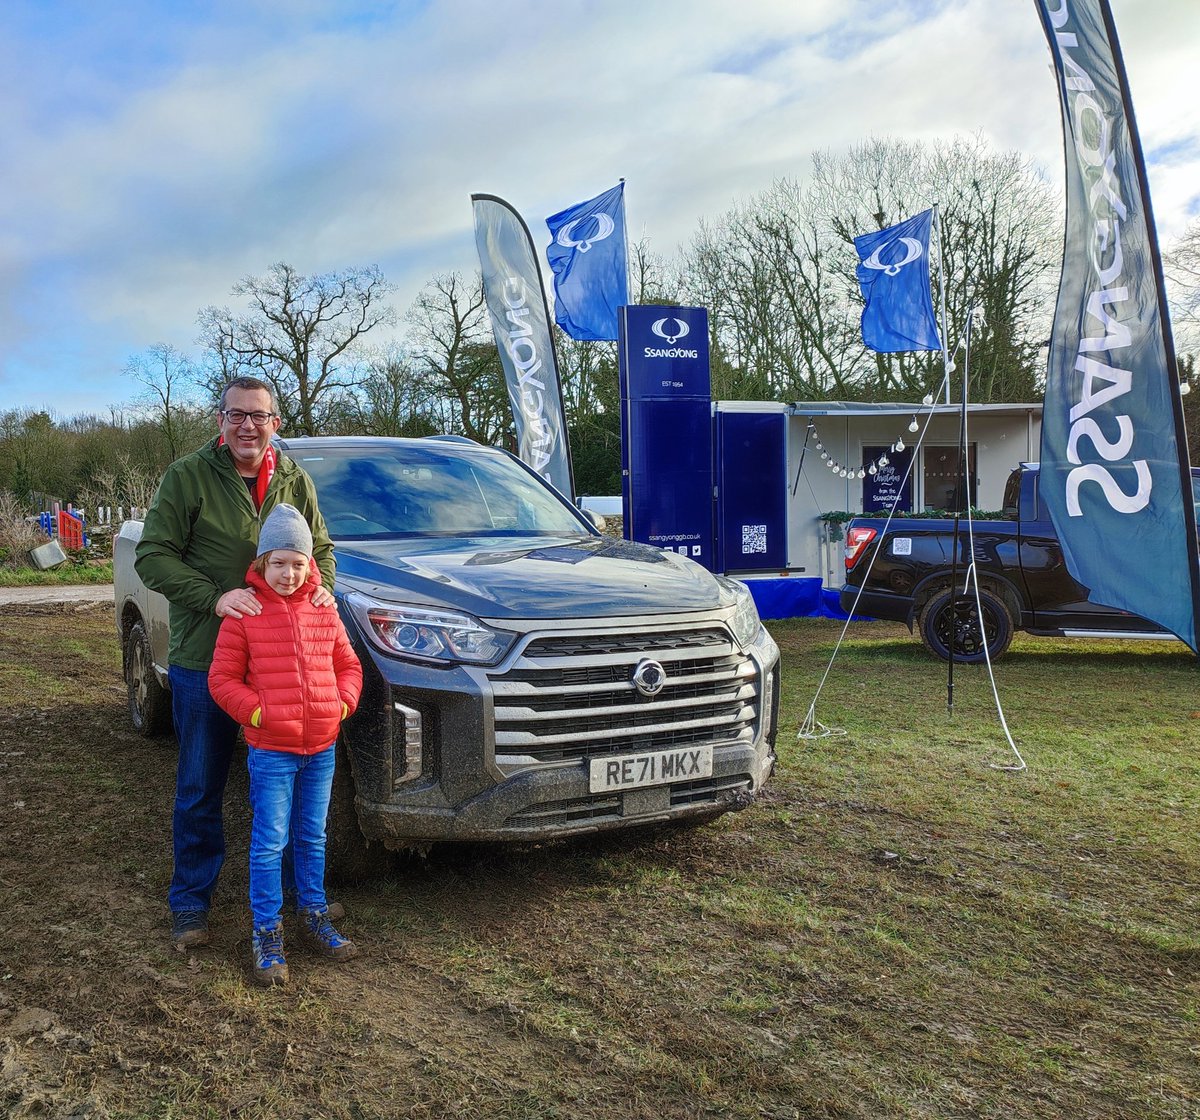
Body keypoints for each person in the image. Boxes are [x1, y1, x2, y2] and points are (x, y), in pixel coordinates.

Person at [135, 376, 338, 951]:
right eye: (237, 415)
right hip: (207, 657)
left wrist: (322, 590)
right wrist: (215, 598)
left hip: (284, 669)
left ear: (276, 421)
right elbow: (153, 556)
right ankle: (191, 903)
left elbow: (319, 550)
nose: (248, 425)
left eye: (260, 415)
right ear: (220, 421)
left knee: (292, 791)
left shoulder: (294, 479)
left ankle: (305, 902)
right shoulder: (189, 476)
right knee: (202, 782)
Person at [208, 503, 363, 985]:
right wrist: (259, 713)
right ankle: (267, 930)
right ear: (261, 563)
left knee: (312, 835)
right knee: (270, 840)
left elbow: (349, 667)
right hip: (272, 749)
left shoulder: (323, 608)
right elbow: (222, 679)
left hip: (320, 746)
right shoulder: (245, 613)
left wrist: (340, 706)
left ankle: (314, 914)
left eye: (298, 563)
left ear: (309, 563)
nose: (289, 573)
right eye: (279, 562)